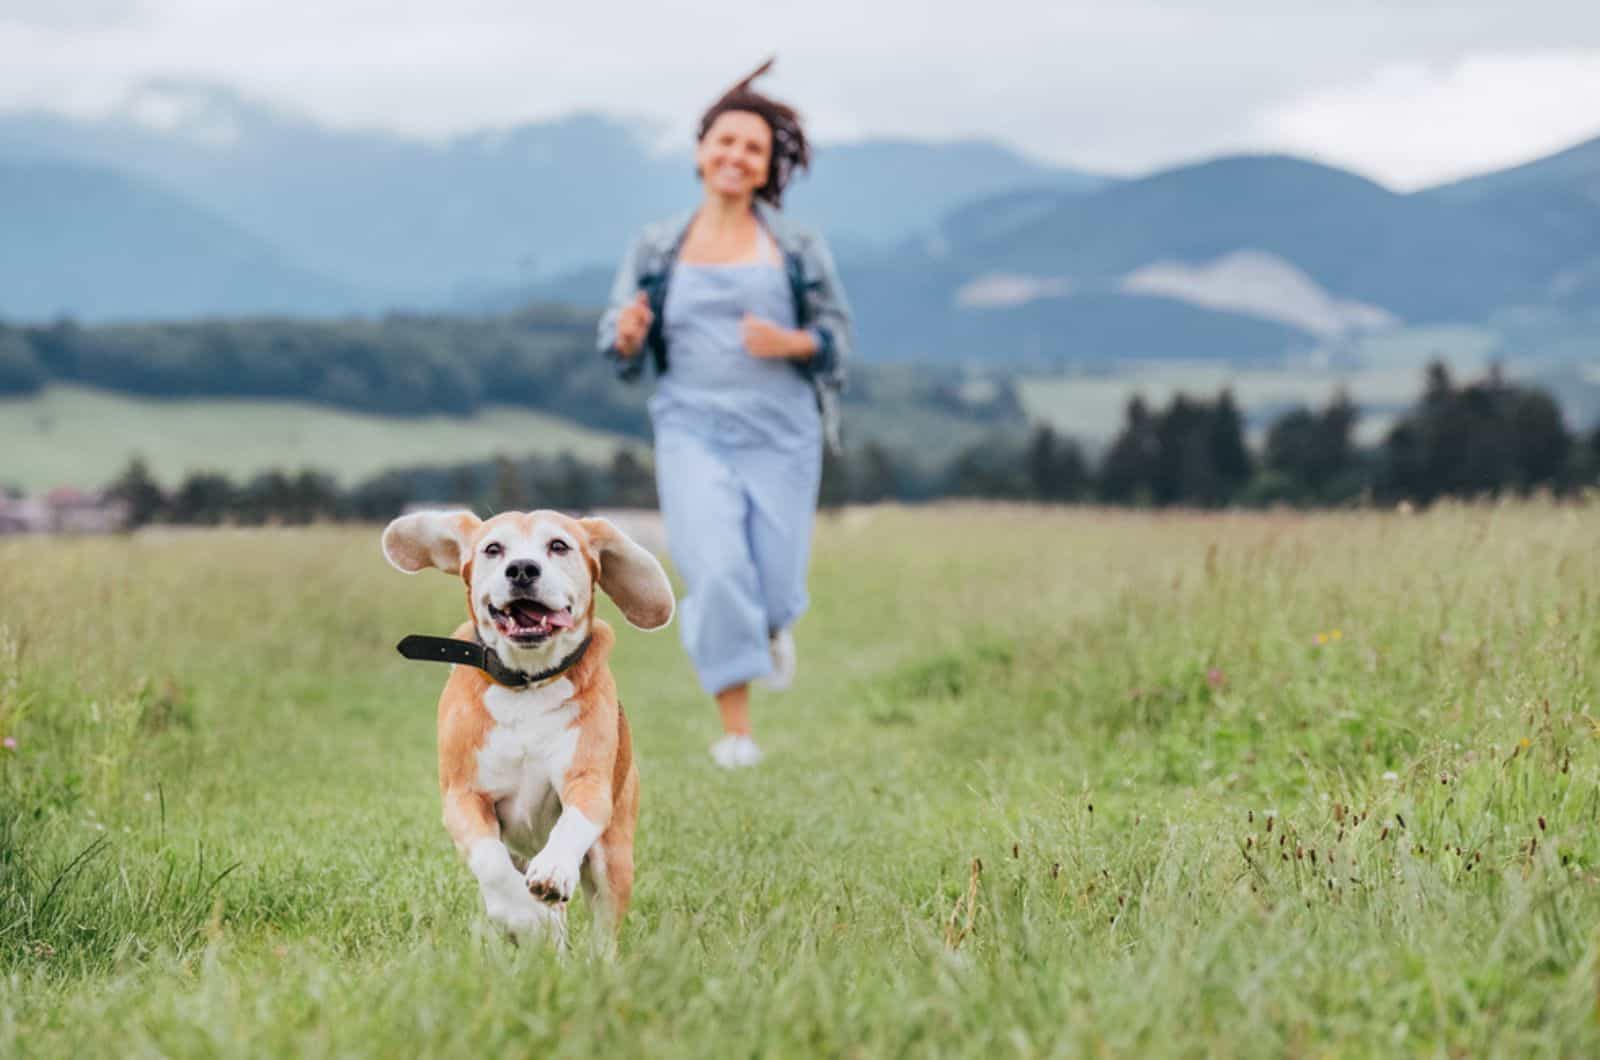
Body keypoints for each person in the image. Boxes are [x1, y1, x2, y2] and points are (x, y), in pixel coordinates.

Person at [597, 59, 854, 769]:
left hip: (783, 433)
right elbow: (618, 345)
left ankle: (772, 625)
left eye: (753, 148)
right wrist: (626, 335)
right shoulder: (655, 247)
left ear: (768, 167)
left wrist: (791, 341)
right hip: (691, 428)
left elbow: (838, 343)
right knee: (713, 571)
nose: (736, 156)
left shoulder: (797, 249)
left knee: (772, 580)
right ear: (701, 149)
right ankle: (737, 734)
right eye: (725, 141)